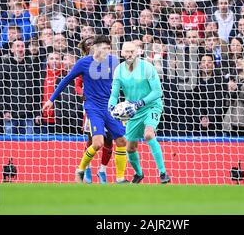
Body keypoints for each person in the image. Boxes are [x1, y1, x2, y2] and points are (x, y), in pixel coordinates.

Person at [42, 35, 128, 184]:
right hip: (93, 108)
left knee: (121, 141)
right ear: (96, 47)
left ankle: (120, 178)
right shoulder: (83, 63)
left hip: (110, 108)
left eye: (109, 48)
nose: (108, 51)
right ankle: (81, 169)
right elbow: (66, 80)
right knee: (98, 143)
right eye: (105, 48)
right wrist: (51, 99)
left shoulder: (113, 62)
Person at [109, 41, 170, 184]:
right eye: (126, 51)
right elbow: (114, 94)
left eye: (132, 51)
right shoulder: (118, 70)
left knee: (149, 134)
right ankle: (139, 174)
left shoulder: (147, 67)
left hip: (151, 106)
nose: (129, 54)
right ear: (122, 53)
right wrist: (111, 107)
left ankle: (163, 173)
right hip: (133, 111)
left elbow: (157, 92)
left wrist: (140, 103)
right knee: (130, 148)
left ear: (137, 52)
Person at [74, 37, 114, 184]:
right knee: (93, 139)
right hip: (92, 106)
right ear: (85, 48)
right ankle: (87, 168)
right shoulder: (83, 64)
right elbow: (77, 85)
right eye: (89, 44)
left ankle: (102, 170)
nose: (93, 46)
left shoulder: (108, 62)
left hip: (108, 105)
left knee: (109, 140)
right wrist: (82, 94)